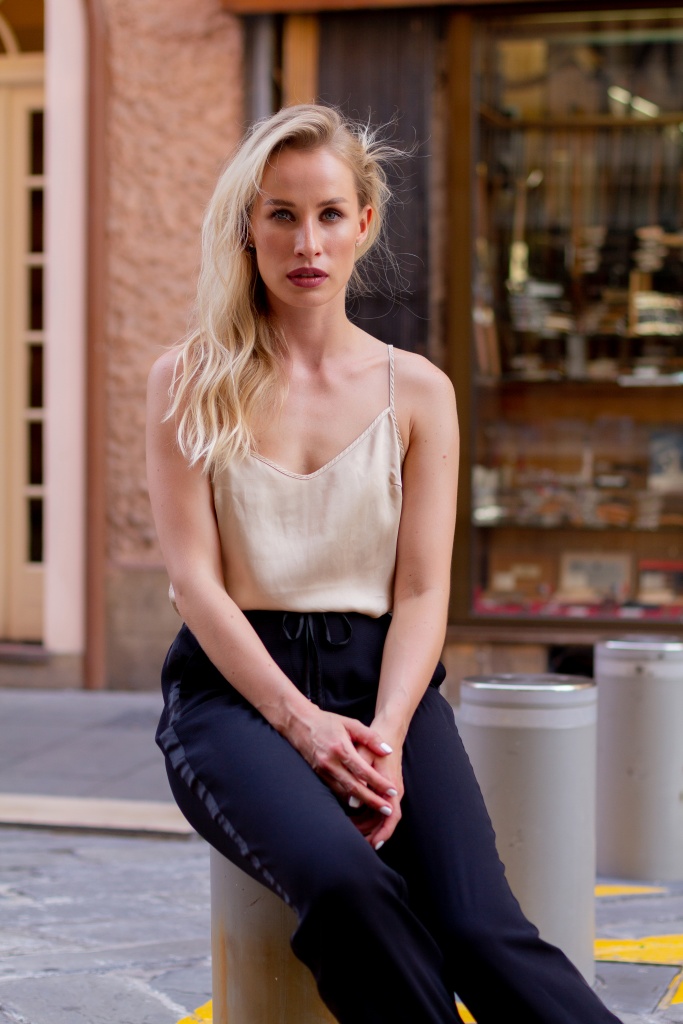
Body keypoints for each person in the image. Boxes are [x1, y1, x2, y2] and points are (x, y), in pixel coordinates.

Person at [147, 104, 622, 1024]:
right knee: (345, 884)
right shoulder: (187, 381)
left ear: (363, 224)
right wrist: (301, 725)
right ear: (247, 226)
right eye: (281, 214)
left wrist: (389, 736)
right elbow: (193, 584)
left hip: (384, 685)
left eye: (329, 214)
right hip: (234, 696)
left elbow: (422, 588)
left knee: (480, 930)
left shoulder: (419, 391)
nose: (306, 242)